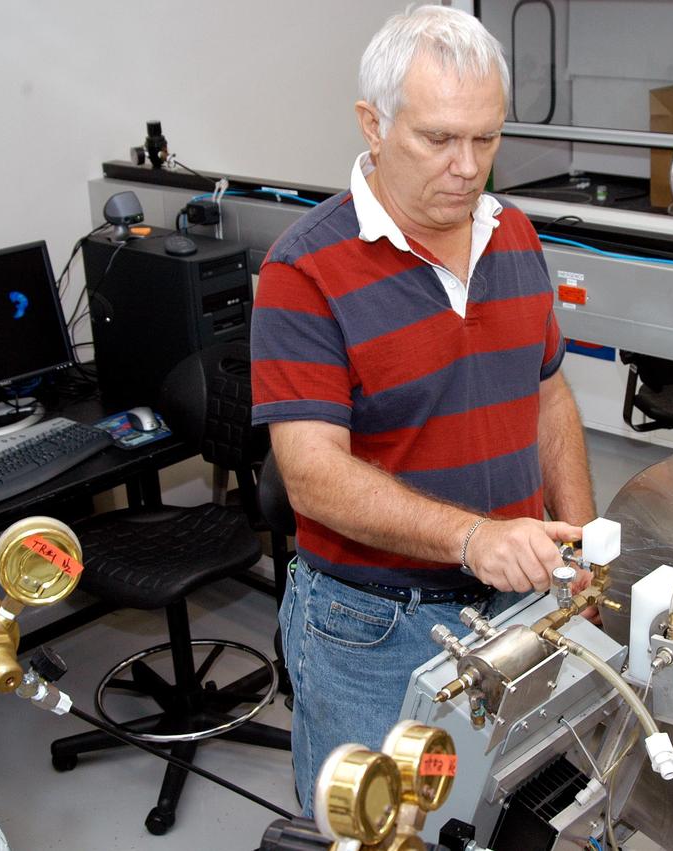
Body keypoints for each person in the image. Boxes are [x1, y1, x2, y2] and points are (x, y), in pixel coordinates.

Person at [250, 5, 595, 813]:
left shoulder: (514, 236)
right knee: (385, 826)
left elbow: (548, 395)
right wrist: (472, 537)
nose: (467, 166)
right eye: (437, 138)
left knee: (498, 814)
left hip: (517, 604)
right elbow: (313, 478)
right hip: (371, 630)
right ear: (373, 124)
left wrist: (581, 548)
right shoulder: (304, 270)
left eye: (486, 138)